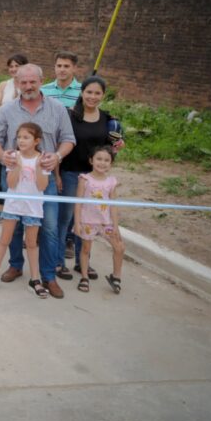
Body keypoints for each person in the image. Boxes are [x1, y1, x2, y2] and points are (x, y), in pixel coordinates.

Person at [0, 64, 75, 299]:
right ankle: (15, 265)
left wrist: (57, 156)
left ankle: (48, 276)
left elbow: (68, 139)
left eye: (32, 82)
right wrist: (1, 155)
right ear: (17, 83)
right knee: (13, 227)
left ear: (41, 81)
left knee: (49, 227)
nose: (27, 86)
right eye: (23, 82)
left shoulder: (57, 109)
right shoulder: (7, 110)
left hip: (42, 180)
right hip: (14, 179)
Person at [58, 75, 125, 280]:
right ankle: (59, 263)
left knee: (88, 220)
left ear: (103, 95)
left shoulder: (108, 120)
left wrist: (118, 146)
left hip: (93, 179)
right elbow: (59, 143)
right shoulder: (70, 116)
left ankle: (82, 263)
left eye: (97, 93)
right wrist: (57, 175)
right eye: (89, 92)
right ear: (82, 92)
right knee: (65, 220)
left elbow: (109, 149)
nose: (92, 97)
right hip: (70, 174)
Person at [0, 123, 49, 298]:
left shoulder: (43, 159)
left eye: (26, 137)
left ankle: (35, 279)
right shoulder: (12, 157)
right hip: (13, 205)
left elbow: (42, 185)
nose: (21, 140)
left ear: (37, 141)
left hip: (33, 208)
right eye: (19, 137)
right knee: (4, 240)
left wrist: (37, 167)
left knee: (31, 244)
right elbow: (11, 184)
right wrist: (19, 166)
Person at [75, 146, 125, 295]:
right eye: (99, 159)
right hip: (88, 222)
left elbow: (113, 206)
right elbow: (77, 202)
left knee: (119, 247)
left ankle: (116, 277)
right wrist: (77, 223)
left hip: (106, 223)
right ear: (91, 160)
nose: (102, 163)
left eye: (107, 160)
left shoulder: (111, 182)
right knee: (86, 249)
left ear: (111, 163)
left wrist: (116, 226)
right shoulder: (85, 179)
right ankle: (84, 277)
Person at [0, 54, 29, 225]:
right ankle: (1, 211)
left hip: (23, 137)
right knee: (1, 174)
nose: (13, 69)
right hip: (4, 137)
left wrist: (19, 92)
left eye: (16, 66)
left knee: (24, 176)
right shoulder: (5, 84)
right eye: (10, 66)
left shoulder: (27, 86)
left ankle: (20, 212)